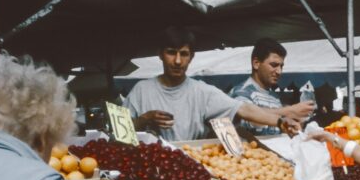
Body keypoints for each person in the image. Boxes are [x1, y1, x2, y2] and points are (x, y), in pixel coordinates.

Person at [125, 28, 313, 141]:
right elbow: (119, 132)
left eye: (184, 54)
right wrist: (145, 119)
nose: (177, 61)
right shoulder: (141, 90)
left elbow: (244, 109)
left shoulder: (202, 91)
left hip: (189, 167)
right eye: (171, 52)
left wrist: (280, 122)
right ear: (160, 54)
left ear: (191, 57)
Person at [230, 38, 311, 135]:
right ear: (256, 63)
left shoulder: (274, 97)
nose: (279, 71)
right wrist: (290, 110)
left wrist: (294, 124)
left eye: (281, 66)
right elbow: (247, 116)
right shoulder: (241, 92)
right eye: (274, 65)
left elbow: (278, 128)